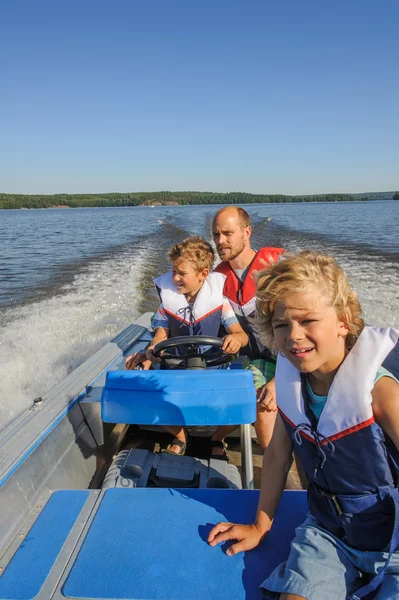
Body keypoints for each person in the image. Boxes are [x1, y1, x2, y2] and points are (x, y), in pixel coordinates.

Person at [208, 251, 399, 600]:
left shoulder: (381, 392)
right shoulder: (295, 390)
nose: (294, 335)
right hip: (329, 535)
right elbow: (279, 456)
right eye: (282, 325)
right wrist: (260, 525)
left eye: (308, 320)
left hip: (394, 543)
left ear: (343, 321)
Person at [125, 236, 248, 456]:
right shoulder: (167, 305)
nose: (176, 278)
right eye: (173, 272)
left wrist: (237, 339)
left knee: (247, 399)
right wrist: (151, 352)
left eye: (182, 273)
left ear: (203, 274)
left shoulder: (221, 303)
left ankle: (217, 438)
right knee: (144, 393)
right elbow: (160, 336)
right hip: (176, 370)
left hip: (213, 370)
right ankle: (181, 436)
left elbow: (240, 334)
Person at [211, 206, 284, 452]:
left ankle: (288, 483)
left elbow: (301, 331)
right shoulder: (217, 280)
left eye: (228, 233)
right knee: (252, 399)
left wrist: (278, 380)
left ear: (247, 232)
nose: (220, 241)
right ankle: (214, 438)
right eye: (216, 235)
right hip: (257, 359)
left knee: (263, 402)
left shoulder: (278, 272)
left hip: (293, 359)